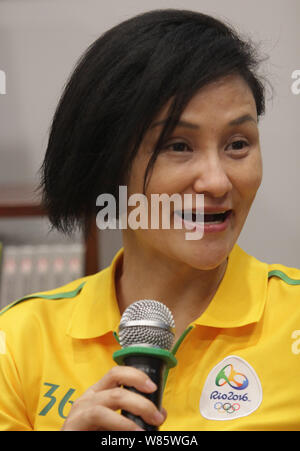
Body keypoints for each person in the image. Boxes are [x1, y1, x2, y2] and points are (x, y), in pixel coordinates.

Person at [0, 8, 300, 432]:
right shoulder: (16, 343)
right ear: (107, 164)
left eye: (237, 143)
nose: (217, 181)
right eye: (178, 145)